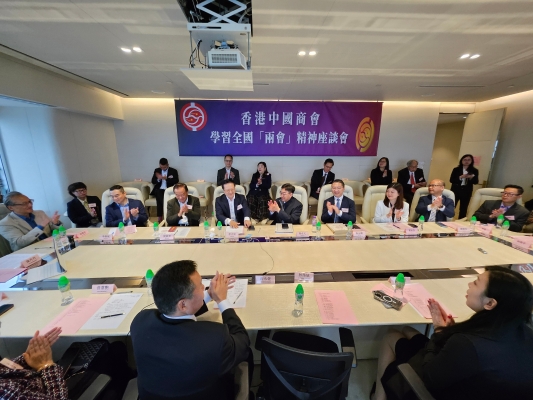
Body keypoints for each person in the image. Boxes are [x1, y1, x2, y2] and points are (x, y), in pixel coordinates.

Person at [373, 266, 533, 400]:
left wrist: (440, 331)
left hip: (440, 387)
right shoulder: (522, 331)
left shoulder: (467, 343)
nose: (469, 284)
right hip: (472, 383)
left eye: (476, 283)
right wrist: (447, 332)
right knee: (407, 330)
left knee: (391, 336)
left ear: (490, 303)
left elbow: (429, 378)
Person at [130, 261, 251, 400]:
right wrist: (222, 301)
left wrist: (209, 294)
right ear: (183, 304)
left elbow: (177, 314)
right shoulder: (215, 339)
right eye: (200, 285)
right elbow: (242, 341)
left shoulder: (140, 321)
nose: (204, 287)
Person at [449, 154, 479, 219]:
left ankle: (461, 221)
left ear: (471, 161)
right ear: (461, 161)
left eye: (468, 160)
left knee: (463, 208)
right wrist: (460, 177)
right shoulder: (456, 169)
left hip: (466, 191)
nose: (466, 161)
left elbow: (476, 182)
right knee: (452, 206)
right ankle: (448, 219)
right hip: (456, 190)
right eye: (465, 160)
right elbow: (451, 180)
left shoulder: (474, 170)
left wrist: (470, 178)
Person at [150, 158, 179, 223]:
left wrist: (167, 179)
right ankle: (167, 211)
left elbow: (176, 180)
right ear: (159, 165)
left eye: (164, 167)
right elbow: (153, 181)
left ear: (168, 165)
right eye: (161, 167)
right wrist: (158, 179)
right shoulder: (157, 170)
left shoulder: (173, 171)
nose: (163, 168)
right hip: (159, 190)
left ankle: (160, 217)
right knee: (158, 193)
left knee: (159, 200)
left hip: (169, 190)